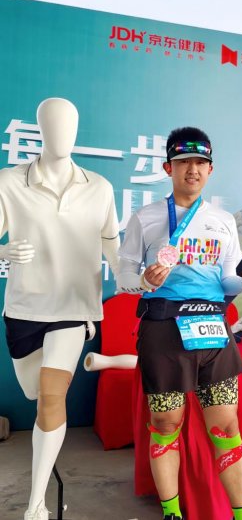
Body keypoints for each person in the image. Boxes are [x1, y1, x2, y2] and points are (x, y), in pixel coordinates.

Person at [117, 127, 242, 520]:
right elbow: (123, 275)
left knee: (225, 426)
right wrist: (143, 281)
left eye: (201, 162)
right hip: (163, 329)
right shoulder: (146, 218)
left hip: (213, 329)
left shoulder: (222, 221)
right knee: (166, 422)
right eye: (184, 161)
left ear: (210, 169)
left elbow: (228, 280)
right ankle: (172, 512)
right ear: (168, 167)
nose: (192, 169)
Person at [0, 97, 120, 520]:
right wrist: (3, 253)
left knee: (51, 397)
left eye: (68, 125)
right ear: (39, 130)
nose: (61, 133)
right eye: (52, 124)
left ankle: (35, 504)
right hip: (24, 310)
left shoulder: (99, 187)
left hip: (74, 308)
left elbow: (112, 246)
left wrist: (136, 279)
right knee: (34, 392)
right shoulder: (8, 182)